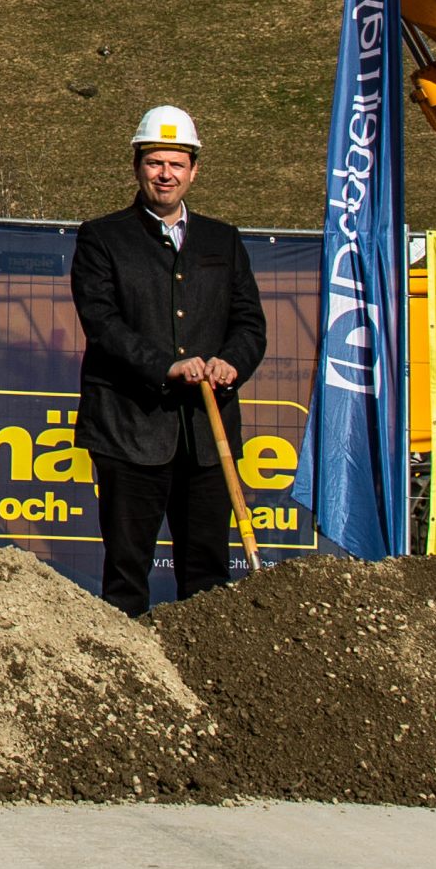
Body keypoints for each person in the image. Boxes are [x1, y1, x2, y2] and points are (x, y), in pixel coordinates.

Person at [69, 106, 266, 615]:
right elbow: (103, 324)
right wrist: (165, 366)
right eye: (155, 162)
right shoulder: (102, 238)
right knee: (127, 573)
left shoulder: (223, 240)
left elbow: (249, 324)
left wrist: (231, 364)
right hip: (130, 431)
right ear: (137, 166)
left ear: (194, 170)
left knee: (208, 574)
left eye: (177, 165)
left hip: (206, 434)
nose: (166, 174)